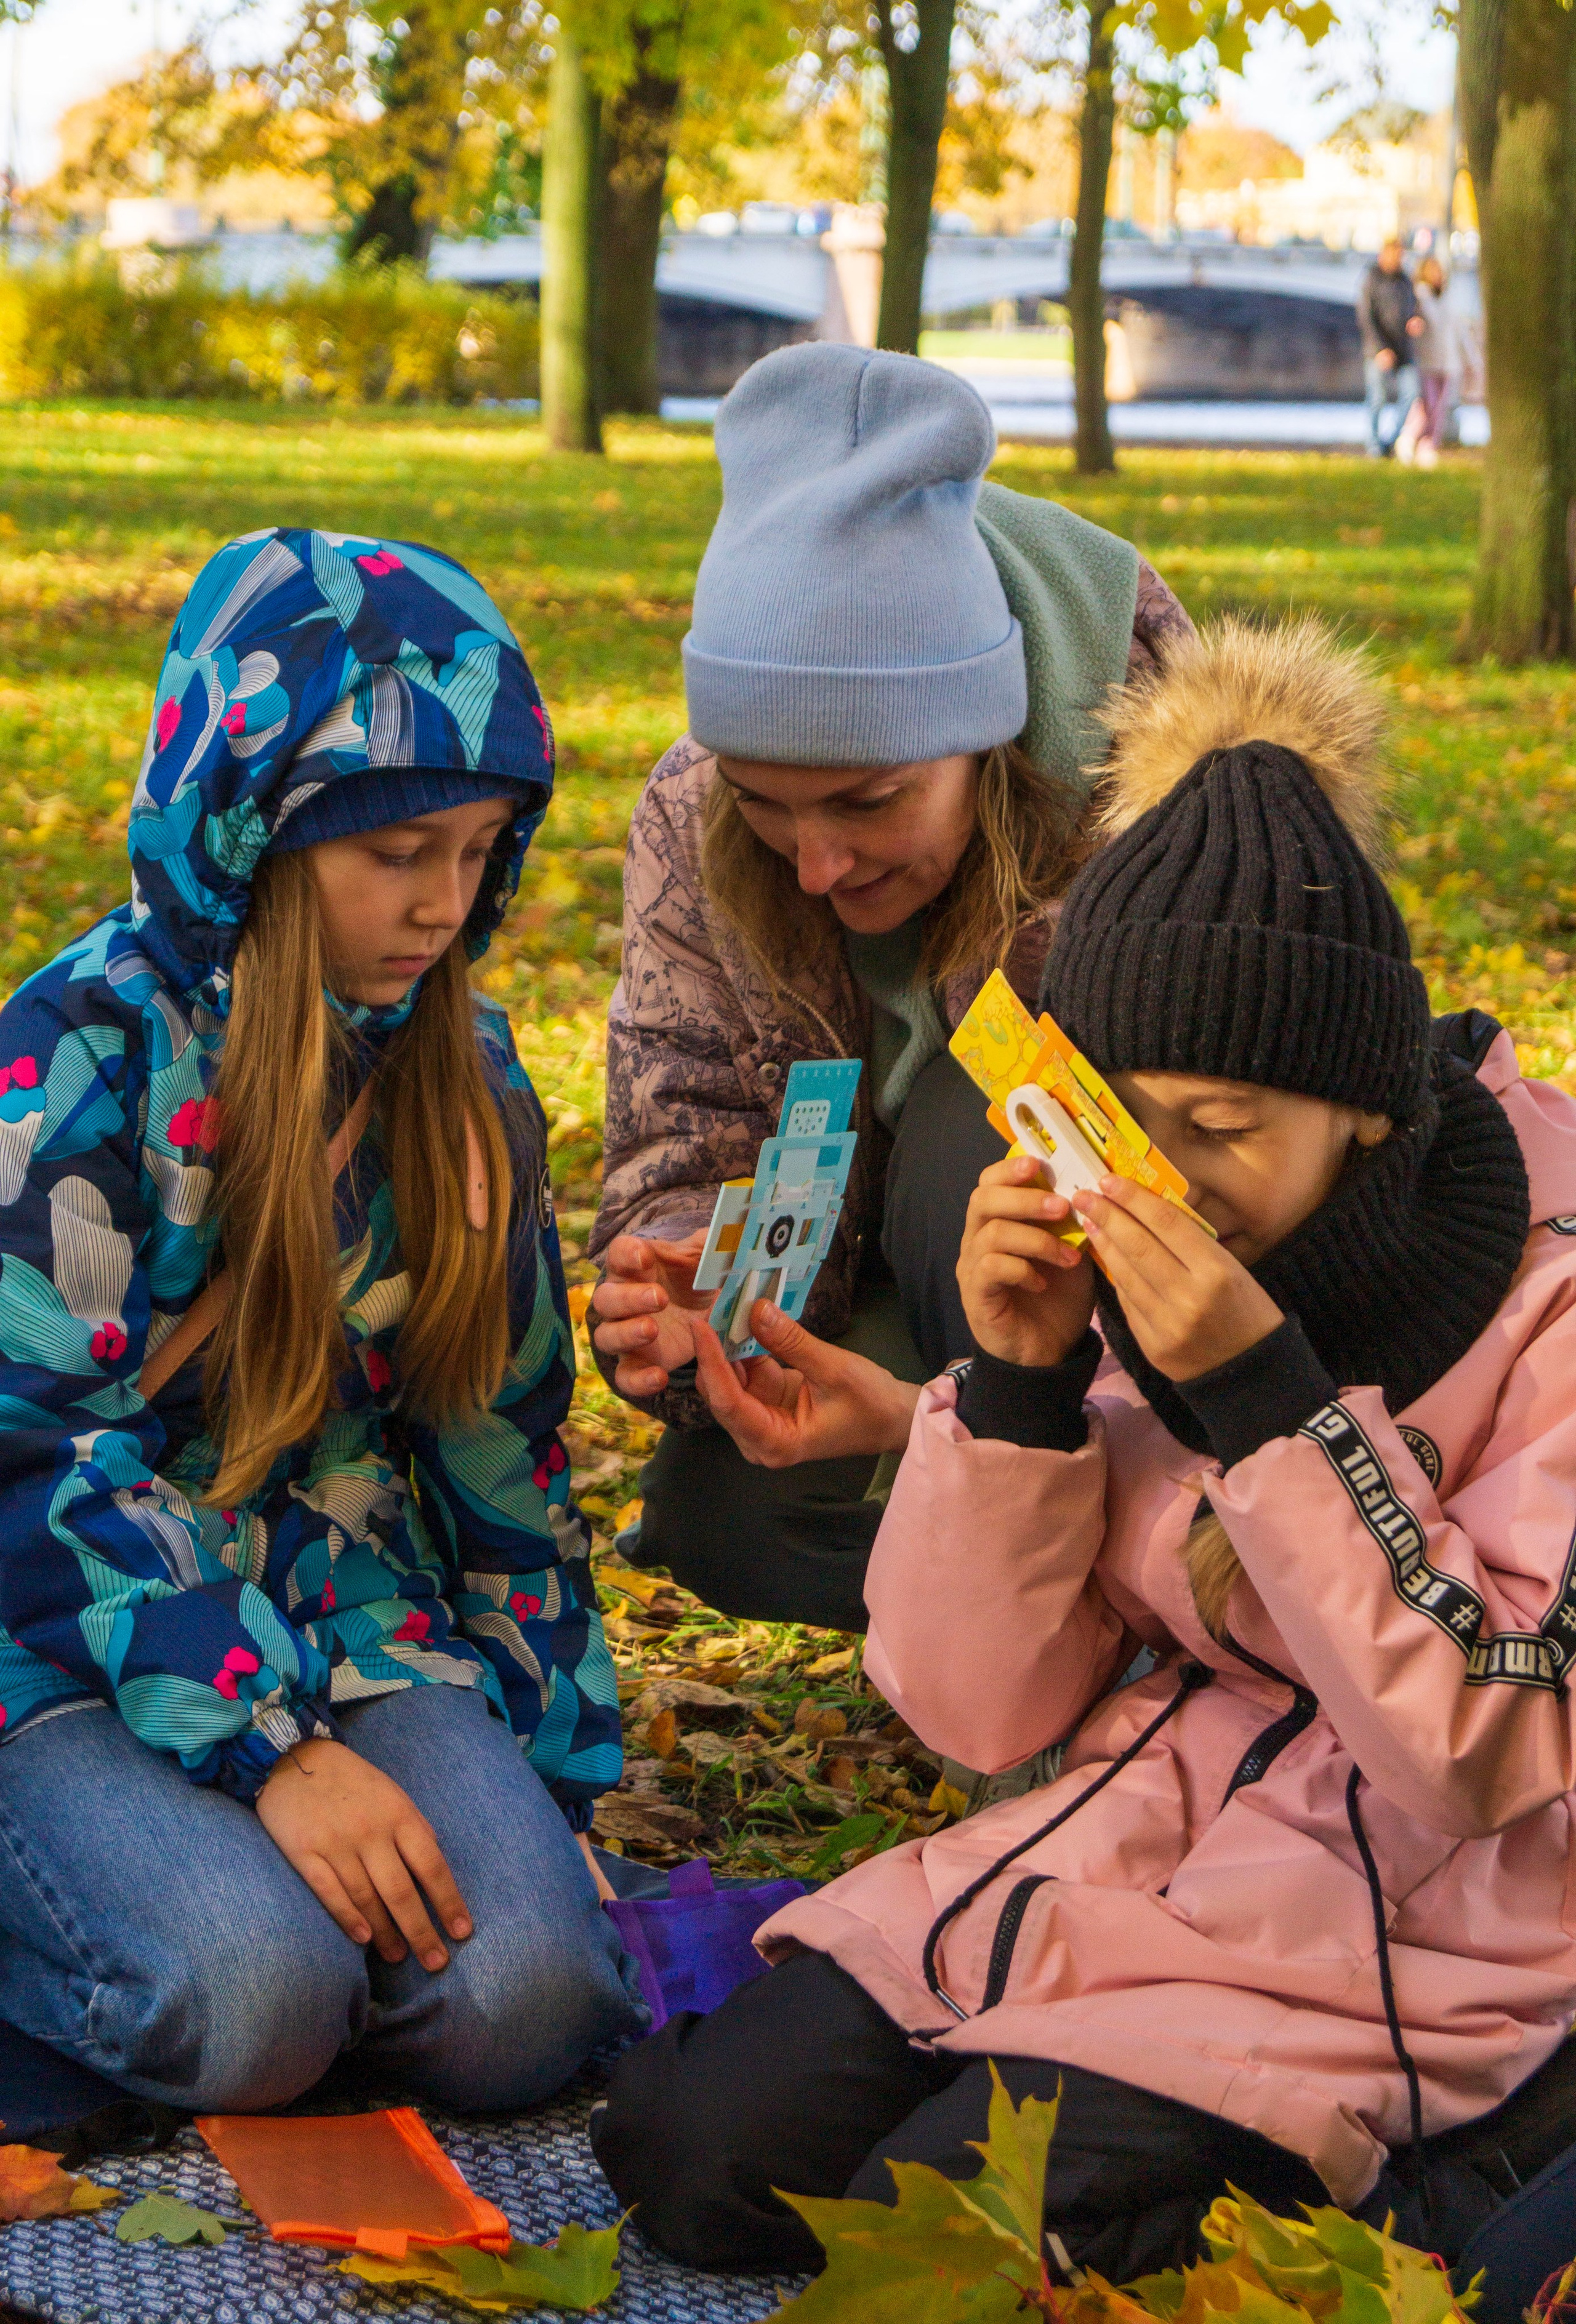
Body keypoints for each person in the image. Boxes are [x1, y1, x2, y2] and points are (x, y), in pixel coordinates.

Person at [591, 615, 1576, 2278]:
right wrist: (1019, 1391)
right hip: (1115, 1858)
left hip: (1409, 1939)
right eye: (1131, 1119)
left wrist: (1274, 1405)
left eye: (1227, 1131)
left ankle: (1473, 2177)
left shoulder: (1544, 1299)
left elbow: (1487, 1746)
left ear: (1371, 1108)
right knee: (689, 2160)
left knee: (977, 2249)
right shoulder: (1131, 1247)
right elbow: (985, 1707)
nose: (1168, 1181)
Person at [0, 528, 643, 2116]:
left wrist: (553, 1784)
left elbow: (503, 1450)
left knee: (533, 1997)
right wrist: (272, 1753)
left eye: (483, 848)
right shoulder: (76, 1056)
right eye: (395, 850)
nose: (446, 904)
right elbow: (33, 1459)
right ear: (254, 833)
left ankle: (223, 1919)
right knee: (252, 1996)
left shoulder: (465, 1076)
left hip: (341, 1613)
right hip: (63, 1629)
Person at [589, 341, 1192, 1633]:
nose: (812, 865)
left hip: (1137, 1373)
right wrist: (688, 1293)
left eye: (868, 801)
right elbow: (677, 1113)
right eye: (764, 806)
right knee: (718, 1513)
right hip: (909, 1350)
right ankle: (1040, 1621)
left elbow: (1249, 1191)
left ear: (989, 739)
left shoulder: (1158, 797)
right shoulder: (691, 818)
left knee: (975, 1119)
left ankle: (1130, 1614)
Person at [1357, 237, 1424, 458]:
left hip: (1403, 349)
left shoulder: (1405, 280)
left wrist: (1415, 319)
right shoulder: (1371, 279)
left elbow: (1414, 307)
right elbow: (1366, 317)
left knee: (1411, 392)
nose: (1398, 260)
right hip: (1378, 351)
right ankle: (1374, 444)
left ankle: (1391, 439)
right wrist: (1379, 349)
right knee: (1377, 397)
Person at [1407, 253, 1458, 467]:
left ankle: (1427, 445)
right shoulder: (1420, 297)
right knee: (1428, 404)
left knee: (1439, 407)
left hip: (1447, 361)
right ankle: (1415, 441)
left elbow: (1455, 331)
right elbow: (1415, 322)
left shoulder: (1444, 298)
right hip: (1428, 360)